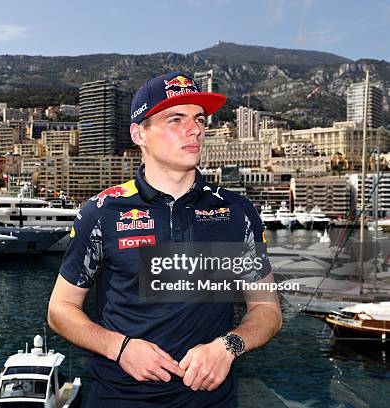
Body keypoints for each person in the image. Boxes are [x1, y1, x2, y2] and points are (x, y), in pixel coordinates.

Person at [48, 71, 282, 407]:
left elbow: (266, 309)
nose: (195, 129)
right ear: (138, 133)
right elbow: (60, 309)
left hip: (210, 402)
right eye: (176, 119)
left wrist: (229, 345)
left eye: (200, 119)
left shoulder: (237, 212)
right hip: (118, 399)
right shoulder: (101, 212)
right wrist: (121, 348)